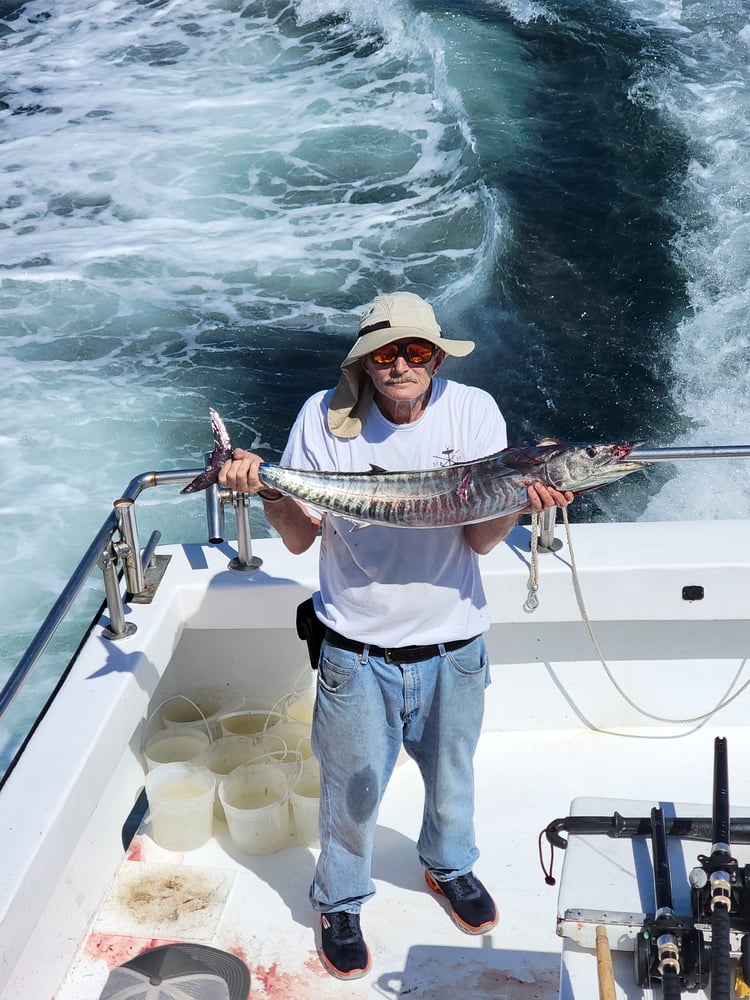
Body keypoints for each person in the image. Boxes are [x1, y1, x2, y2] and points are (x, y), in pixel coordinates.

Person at [220, 291, 573, 980]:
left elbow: (477, 538)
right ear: (366, 362)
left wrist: (514, 503)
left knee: (451, 782)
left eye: (417, 351)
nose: (403, 364)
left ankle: (448, 868)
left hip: (453, 646)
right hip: (355, 651)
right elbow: (298, 540)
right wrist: (264, 488)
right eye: (387, 352)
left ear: (437, 356)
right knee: (351, 793)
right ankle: (341, 900)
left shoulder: (472, 411)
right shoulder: (323, 418)